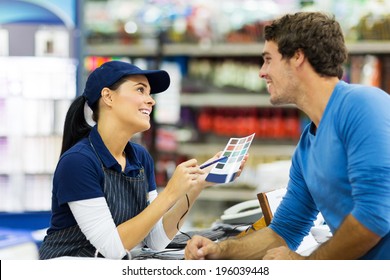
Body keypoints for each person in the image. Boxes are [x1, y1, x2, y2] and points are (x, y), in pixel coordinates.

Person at [185, 11, 390, 260]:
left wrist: (305, 265)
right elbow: (284, 231)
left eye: (268, 59)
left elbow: (375, 216)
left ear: (297, 57)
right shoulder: (307, 146)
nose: (262, 72)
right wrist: (220, 250)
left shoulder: (363, 105)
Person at [39, 60, 245, 259]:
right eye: (140, 90)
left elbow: (155, 240)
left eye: (149, 93)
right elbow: (113, 247)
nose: (151, 100)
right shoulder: (78, 162)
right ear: (108, 97)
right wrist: (171, 192)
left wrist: (196, 185)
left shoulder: (139, 157)